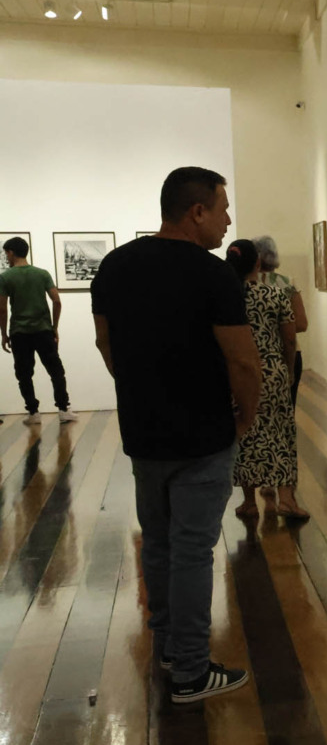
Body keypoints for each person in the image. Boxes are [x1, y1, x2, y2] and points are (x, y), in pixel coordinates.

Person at [91, 166, 260, 704]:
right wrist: (247, 417)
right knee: (191, 549)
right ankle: (189, 670)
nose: (228, 219)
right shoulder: (214, 276)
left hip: (144, 434)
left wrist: (139, 388)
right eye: (224, 207)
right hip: (202, 435)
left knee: (159, 543)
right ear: (197, 212)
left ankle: (168, 647)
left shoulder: (114, 267)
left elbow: (104, 343)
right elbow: (243, 360)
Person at [228, 239, 306, 520]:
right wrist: (288, 370)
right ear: (258, 263)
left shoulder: (228, 298)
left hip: (238, 373)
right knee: (281, 433)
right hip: (271, 372)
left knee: (245, 434)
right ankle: (286, 499)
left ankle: (249, 502)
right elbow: (289, 337)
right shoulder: (275, 295)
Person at [0, 237, 75, 425]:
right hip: (43, 331)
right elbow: (57, 301)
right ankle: (64, 409)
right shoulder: (42, 274)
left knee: (24, 374)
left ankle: (33, 413)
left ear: (10, 252)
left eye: (6, 253)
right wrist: (54, 327)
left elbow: (2, 309)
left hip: (19, 333)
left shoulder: (5, 277)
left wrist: (3, 334)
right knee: (56, 371)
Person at [253, 236, 308, 405]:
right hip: (287, 354)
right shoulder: (286, 283)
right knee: (286, 410)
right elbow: (301, 324)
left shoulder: (243, 284)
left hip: (255, 355)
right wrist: (281, 329)